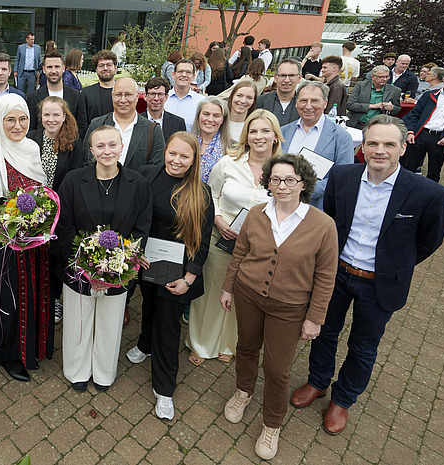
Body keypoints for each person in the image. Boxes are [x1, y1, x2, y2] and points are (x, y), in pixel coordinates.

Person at [290, 114, 444, 436]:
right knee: (323, 332)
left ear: (403, 148)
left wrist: (395, 265)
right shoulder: (343, 176)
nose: (380, 150)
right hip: (337, 274)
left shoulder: (427, 193)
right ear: (362, 146)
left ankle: (343, 399)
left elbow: (429, 240)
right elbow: (330, 223)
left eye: (389, 144)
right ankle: (318, 381)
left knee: (363, 347)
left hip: (380, 284)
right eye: (373, 142)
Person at [220, 153, 338, 460]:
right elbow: (240, 253)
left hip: (290, 307)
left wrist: (315, 318)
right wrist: (227, 287)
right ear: (267, 182)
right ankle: (243, 391)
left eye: (290, 180)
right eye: (275, 179)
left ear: (303, 183)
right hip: (248, 294)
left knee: (277, 368)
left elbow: (326, 277)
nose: (282, 186)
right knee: (246, 348)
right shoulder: (257, 213)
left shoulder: (324, 225)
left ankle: (272, 423)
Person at [56, 125, 152, 393]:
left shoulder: (139, 183)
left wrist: (117, 266)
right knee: (78, 322)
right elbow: (64, 227)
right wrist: (86, 267)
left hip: (120, 269)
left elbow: (142, 226)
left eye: (112, 145)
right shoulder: (73, 181)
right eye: (100, 146)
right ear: (91, 150)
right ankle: (77, 370)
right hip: (78, 269)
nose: (107, 151)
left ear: (122, 147)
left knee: (110, 324)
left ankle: (103, 373)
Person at [127, 131, 214, 420]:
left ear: (193, 161)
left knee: (168, 324)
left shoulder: (200, 192)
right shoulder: (147, 174)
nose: (176, 160)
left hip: (176, 269)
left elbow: (202, 241)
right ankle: (144, 344)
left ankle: (164, 389)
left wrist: (189, 278)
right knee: (148, 304)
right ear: (165, 151)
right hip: (146, 260)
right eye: (172, 153)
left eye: (184, 156)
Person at [187, 109, 282, 366]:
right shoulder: (228, 163)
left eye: (265, 131)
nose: (259, 136)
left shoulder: (284, 169)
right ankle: (201, 342)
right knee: (211, 292)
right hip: (222, 238)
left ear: (275, 135)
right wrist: (218, 219)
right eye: (253, 131)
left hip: (259, 246)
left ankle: (228, 342)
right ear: (245, 135)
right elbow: (212, 195)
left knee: (242, 296)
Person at [0, 94, 52, 382]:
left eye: (22, 119)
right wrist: (10, 226)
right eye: (10, 119)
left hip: (34, 241)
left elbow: (41, 191)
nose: (17, 125)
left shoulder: (32, 148)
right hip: (5, 242)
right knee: (10, 296)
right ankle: (9, 355)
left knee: (33, 293)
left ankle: (32, 347)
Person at [27, 96, 86, 325]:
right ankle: (36, 298)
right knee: (35, 255)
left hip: (61, 211)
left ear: (64, 116)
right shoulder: (31, 139)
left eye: (56, 115)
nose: (51, 119)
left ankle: (54, 299)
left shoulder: (74, 142)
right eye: (46, 115)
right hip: (33, 210)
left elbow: (75, 180)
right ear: (40, 117)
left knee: (55, 258)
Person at [281, 81, 355, 209]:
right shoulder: (283, 132)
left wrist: (300, 188)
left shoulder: (341, 137)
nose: (308, 106)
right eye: (303, 101)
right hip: (281, 206)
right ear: (296, 103)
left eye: (315, 101)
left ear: (325, 103)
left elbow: (342, 179)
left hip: (316, 209)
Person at [83, 76, 166, 170]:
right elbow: (87, 160)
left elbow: (156, 168)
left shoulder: (152, 130)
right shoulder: (97, 125)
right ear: (112, 96)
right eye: (118, 95)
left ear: (137, 96)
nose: (123, 100)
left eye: (128, 95)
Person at [402, 65, 444, 183]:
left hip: (442, 138)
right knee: (408, 168)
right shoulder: (429, 94)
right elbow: (415, 114)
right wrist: (411, 131)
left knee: (434, 172)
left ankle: (429, 198)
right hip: (420, 135)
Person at [25, 50, 89, 138]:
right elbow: (31, 129)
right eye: (50, 67)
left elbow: (82, 127)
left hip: (70, 148)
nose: (53, 71)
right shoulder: (33, 97)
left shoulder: (77, 96)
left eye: (57, 67)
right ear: (44, 69)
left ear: (63, 68)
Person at [345, 65, 402, 129]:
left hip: (378, 126)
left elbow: (398, 109)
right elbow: (350, 105)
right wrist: (373, 106)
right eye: (381, 77)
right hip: (357, 124)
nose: (384, 79)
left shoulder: (394, 90)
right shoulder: (361, 86)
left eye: (387, 77)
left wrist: (392, 108)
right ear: (372, 77)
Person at [191, 96, 233, 182]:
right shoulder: (187, 141)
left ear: (223, 120)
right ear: (198, 115)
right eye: (206, 114)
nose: (210, 119)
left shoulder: (231, 147)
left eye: (216, 116)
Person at [257, 59, 301, 126]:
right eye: (282, 75)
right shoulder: (259, 101)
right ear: (275, 78)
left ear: (299, 78)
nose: (286, 80)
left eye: (292, 75)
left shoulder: (305, 105)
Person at [165, 59, 205, 131]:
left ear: (193, 77)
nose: (184, 75)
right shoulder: (163, 99)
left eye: (188, 72)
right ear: (173, 75)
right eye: (180, 71)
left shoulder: (201, 102)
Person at [142, 77, 186, 141]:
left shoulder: (178, 123)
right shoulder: (135, 121)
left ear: (166, 97)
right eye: (152, 94)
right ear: (145, 96)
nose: (156, 98)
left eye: (160, 94)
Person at [82, 50, 118, 124]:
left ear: (115, 67)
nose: (105, 68)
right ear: (96, 69)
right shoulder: (85, 93)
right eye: (101, 65)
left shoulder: (124, 93)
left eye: (109, 65)